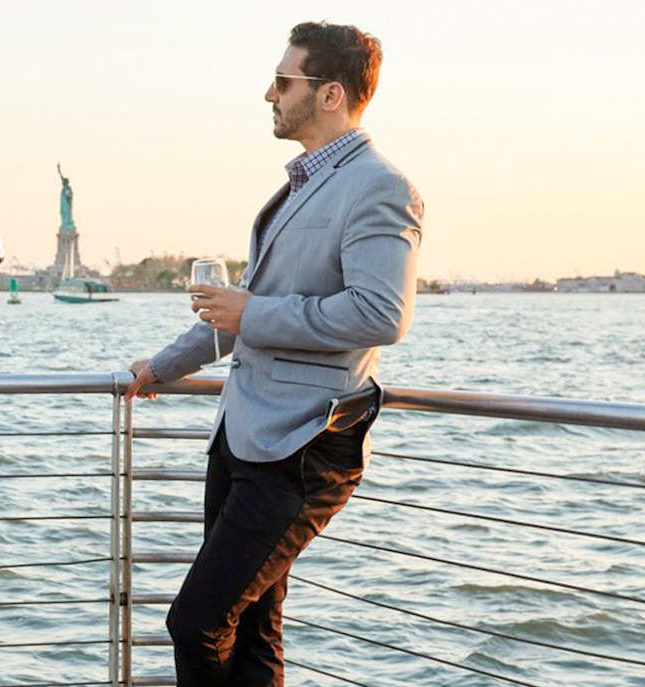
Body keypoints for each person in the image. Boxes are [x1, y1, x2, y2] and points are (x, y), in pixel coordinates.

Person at [125, 21, 424, 686]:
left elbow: (382, 313)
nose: (269, 93)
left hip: (305, 447)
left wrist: (251, 310)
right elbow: (249, 313)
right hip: (244, 437)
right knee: (255, 626)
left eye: (284, 81)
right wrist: (162, 365)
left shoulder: (380, 185)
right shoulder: (301, 184)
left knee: (195, 620)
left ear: (330, 95)